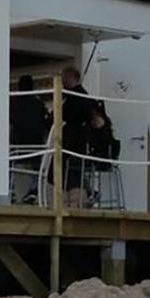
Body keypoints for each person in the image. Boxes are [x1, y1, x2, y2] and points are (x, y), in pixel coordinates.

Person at [59, 65, 97, 208]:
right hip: (82, 143)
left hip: (74, 142)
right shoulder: (84, 96)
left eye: (63, 78)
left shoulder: (74, 97)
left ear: (69, 77)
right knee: (71, 170)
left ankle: (76, 201)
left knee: (69, 169)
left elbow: (64, 114)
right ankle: (86, 193)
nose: (62, 81)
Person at [10, 74, 51, 204]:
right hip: (36, 148)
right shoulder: (39, 104)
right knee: (36, 165)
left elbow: (9, 121)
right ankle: (33, 189)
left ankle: (9, 190)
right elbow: (47, 123)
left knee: (3, 160)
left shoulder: (14, 103)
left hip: (18, 147)